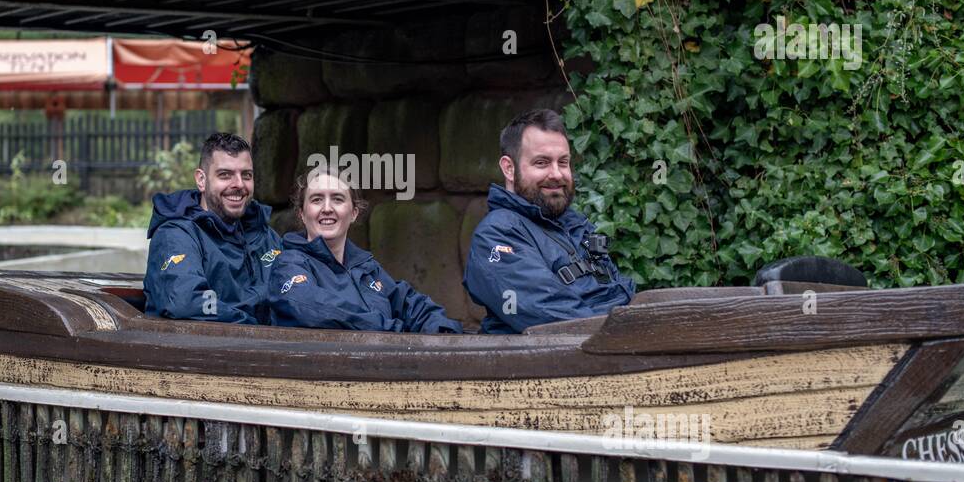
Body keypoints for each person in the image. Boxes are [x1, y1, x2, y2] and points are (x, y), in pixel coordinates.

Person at [463, 108, 636, 333]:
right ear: (509, 168)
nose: (556, 174)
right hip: (547, 363)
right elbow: (557, 322)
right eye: (542, 163)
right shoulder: (497, 235)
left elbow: (619, 292)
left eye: (563, 162)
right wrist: (633, 334)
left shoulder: (577, 226)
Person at [268, 169, 462, 334]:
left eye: (337, 199)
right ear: (302, 213)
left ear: (353, 213)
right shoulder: (289, 265)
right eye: (317, 200)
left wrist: (443, 332)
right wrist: (393, 332)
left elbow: (410, 305)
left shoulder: (367, 268)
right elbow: (312, 307)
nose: (327, 208)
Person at [144, 131, 283, 325]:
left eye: (246, 175)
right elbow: (185, 300)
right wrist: (255, 326)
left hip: (268, 348)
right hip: (197, 351)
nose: (239, 184)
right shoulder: (176, 236)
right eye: (225, 175)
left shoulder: (264, 235)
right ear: (201, 180)